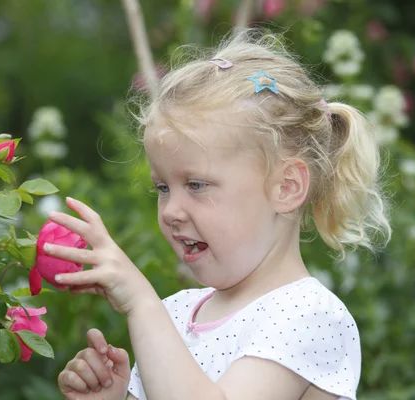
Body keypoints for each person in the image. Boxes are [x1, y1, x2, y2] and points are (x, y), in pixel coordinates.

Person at [47, 29, 391, 400]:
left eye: (196, 185)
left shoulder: (309, 316)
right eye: (163, 188)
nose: (172, 211)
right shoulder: (176, 313)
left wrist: (142, 303)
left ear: (286, 187)